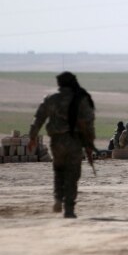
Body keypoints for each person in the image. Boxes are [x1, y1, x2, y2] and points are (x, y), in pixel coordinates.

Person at [28, 71, 95, 219]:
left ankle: (58, 198)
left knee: (59, 170)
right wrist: (90, 144)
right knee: (73, 173)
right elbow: (89, 123)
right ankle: (69, 209)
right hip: (74, 141)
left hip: (56, 141)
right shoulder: (80, 99)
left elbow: (38, 118)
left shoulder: (51, 99)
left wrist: (32, 137)